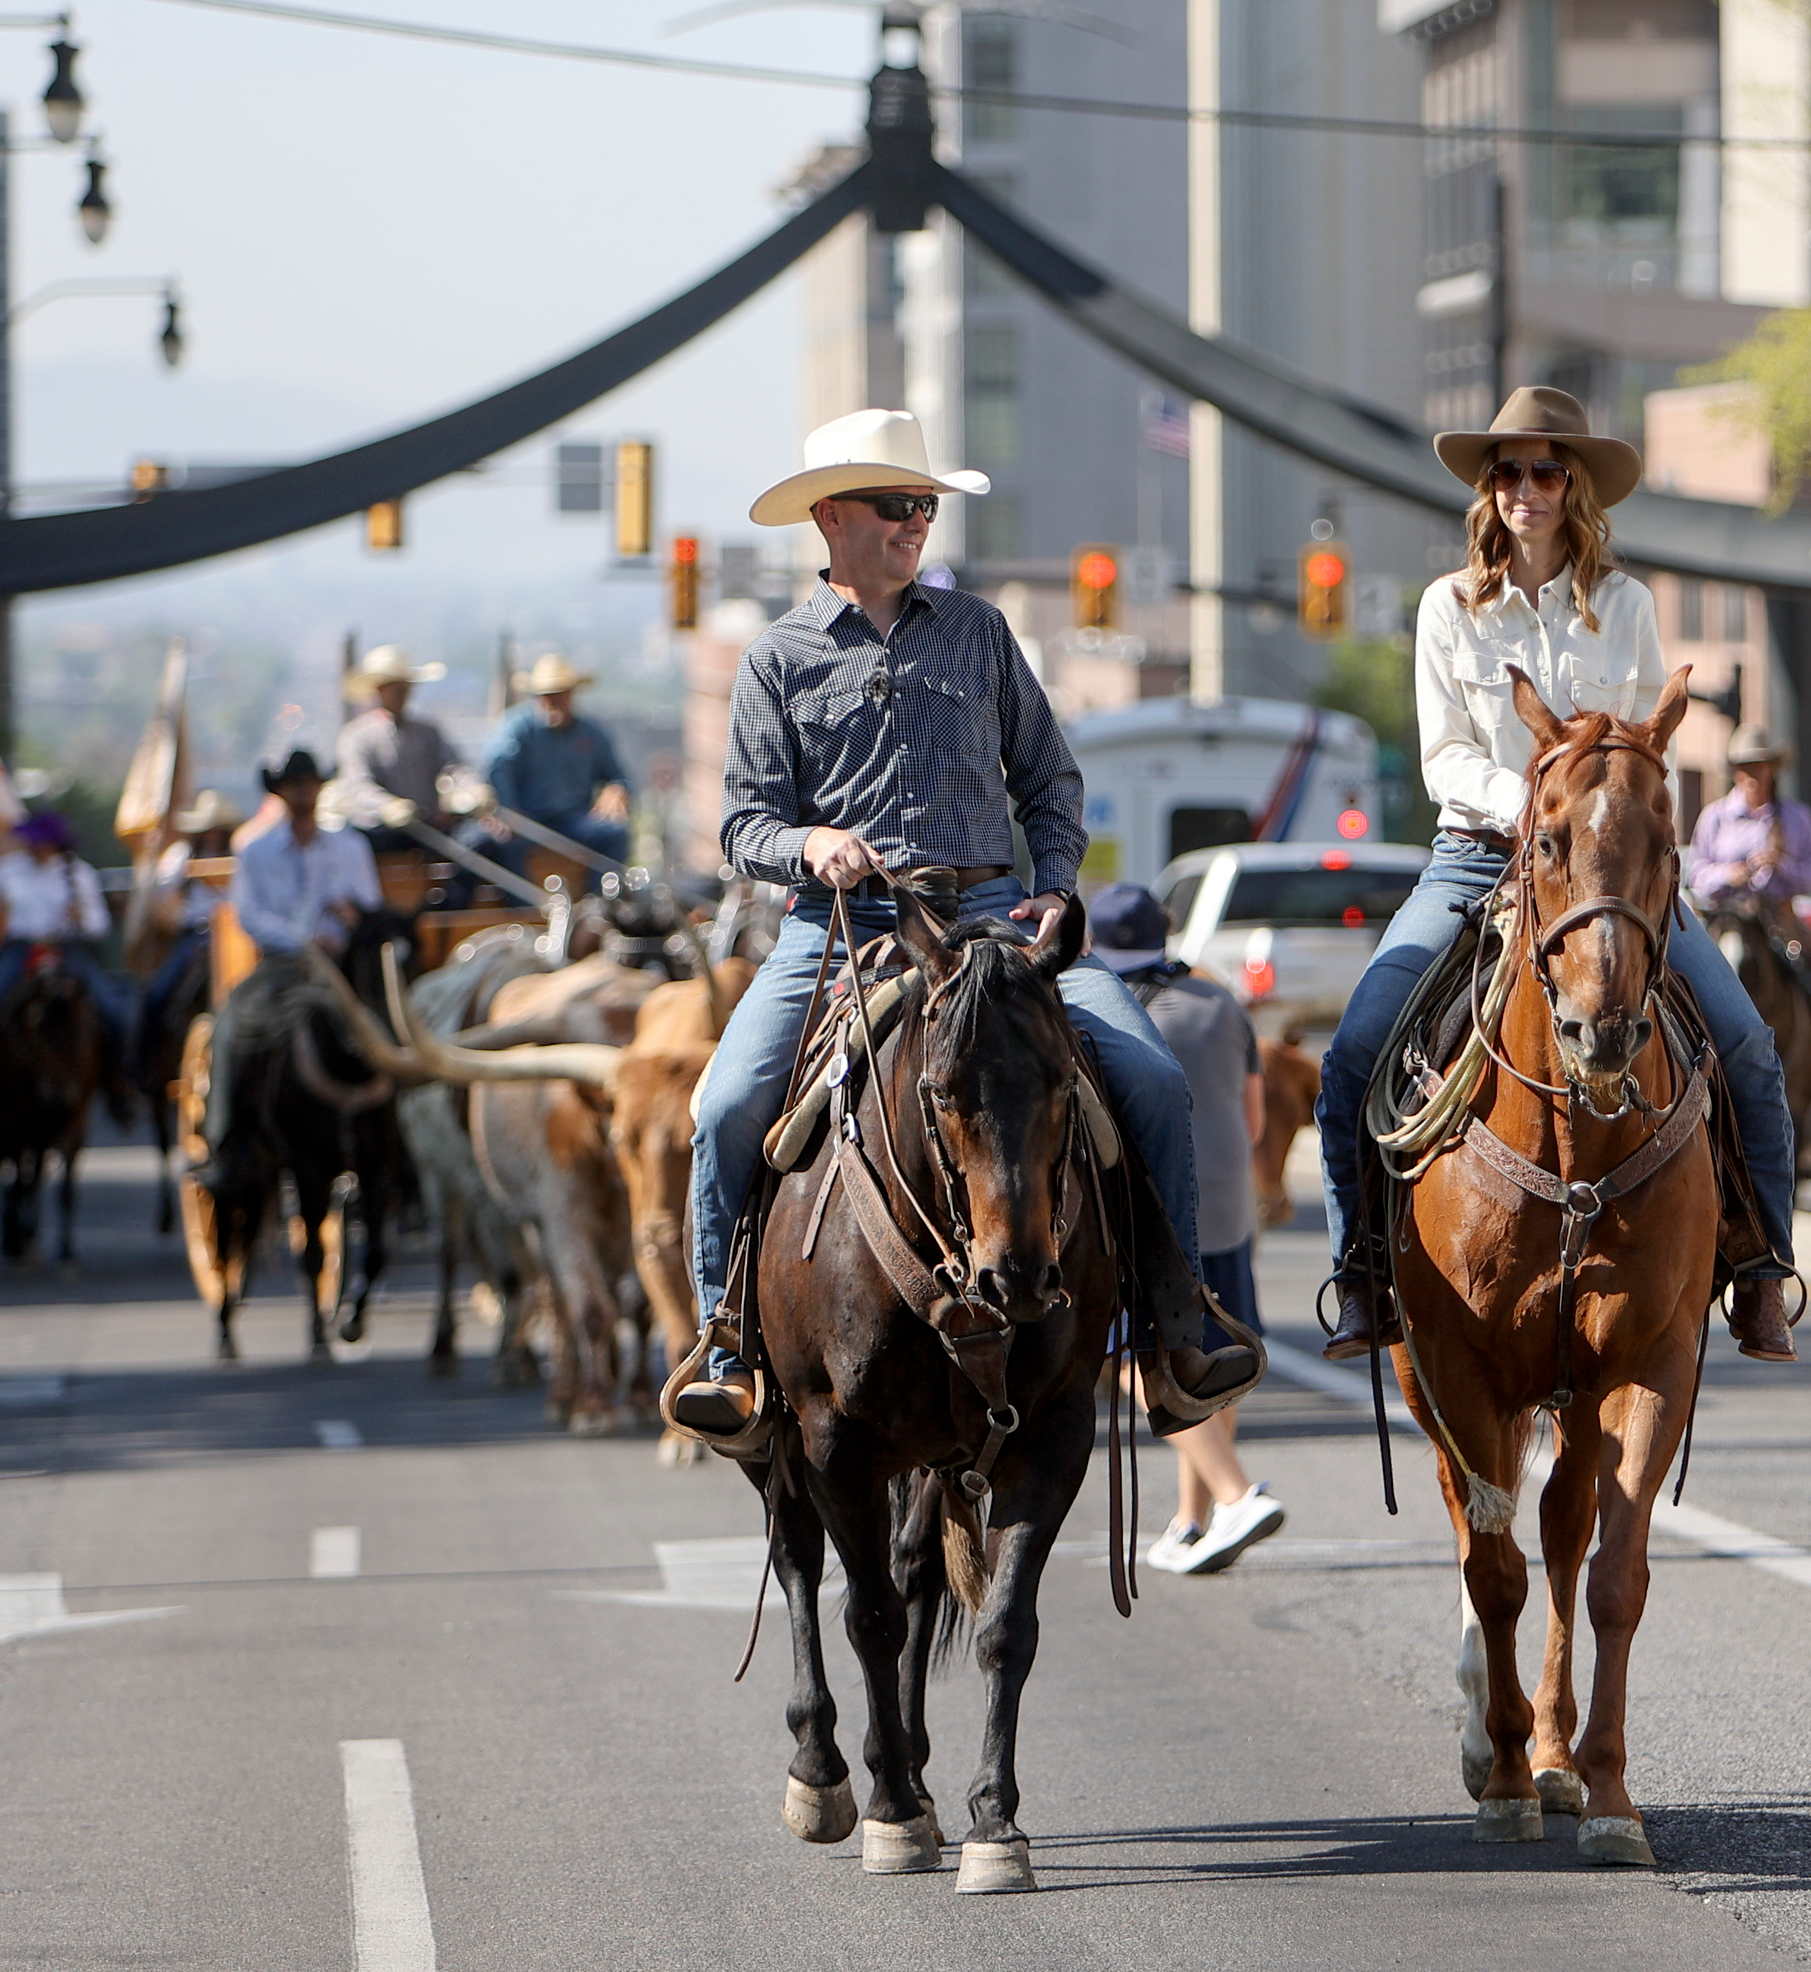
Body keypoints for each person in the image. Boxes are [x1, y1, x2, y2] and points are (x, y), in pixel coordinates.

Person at [672, 407, 1260, 1439]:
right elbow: (743, 824)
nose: (916, 524)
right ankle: (729, 1346)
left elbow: (1048, 779)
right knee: (725, 1108)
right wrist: (812, 845)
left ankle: (1179, 1326)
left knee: (1154, 1079)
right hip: (839, 926)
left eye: (925, 506)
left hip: (993, 915)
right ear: (831, 516)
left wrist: (1057, 882)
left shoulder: (981, 633)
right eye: (898, 505)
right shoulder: (777, 659)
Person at [1314, 386, 1803, 1365]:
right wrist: (1535, 804)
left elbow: (1638, 750)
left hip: (1608, 872)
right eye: (1508, 472)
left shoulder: (1625, 606)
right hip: (1476, 856)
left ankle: (1759, 1270)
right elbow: (1443, 757)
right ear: (1489, 491)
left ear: (1573, 485)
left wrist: (1592, 823)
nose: (1525, 489)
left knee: (1746, 1042)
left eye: (1545, 470)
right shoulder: (1448, 608)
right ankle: (1364, 1268)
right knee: (1356, 1052)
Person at [1090, 883, 1289, 1574]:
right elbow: (1256, 1123)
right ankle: (1191, 1522)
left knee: (1123, 1359)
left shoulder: (1098, 1013)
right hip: (1229, 1210)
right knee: (1215, 1359)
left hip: (1144, 1218)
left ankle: (1234, 1495)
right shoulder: (1222, 1001)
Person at [0, 808, 118, 1078]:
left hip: (66, 948)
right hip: (20, 949)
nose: (34, 847)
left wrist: (82, 918)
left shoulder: (78, 874)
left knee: (111, 1009)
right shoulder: (11, 868)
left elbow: (100, 925)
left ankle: (119, 1083)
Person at [129, 789, 240, 1085]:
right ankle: (143, 1067)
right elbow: (165, 906)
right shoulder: (180, 857)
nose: (213, 833)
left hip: (236, 935)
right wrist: (187, 916)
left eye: (218, 827)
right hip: (194, 936)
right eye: (208, 827)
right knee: (157, 993)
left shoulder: (240, 852)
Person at [483, 654, 631, 869]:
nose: (553, 702)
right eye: (547, 695)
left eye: (560, 694)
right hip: (529, 820)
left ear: (572, 694)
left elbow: (618, 775)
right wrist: (510, 808)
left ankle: (598, 898)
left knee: (614, 835)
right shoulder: (518, 729)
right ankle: (527, 902)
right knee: (501, 842)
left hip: (575, 819)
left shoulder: (591, 733)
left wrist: (616, 789)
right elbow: (499, 768)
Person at [231, 750, 382, 961]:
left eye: (310, 782)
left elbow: (371, 907)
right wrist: (302, 941)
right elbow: (248, 915)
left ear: (320, 787)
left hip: (346, 960)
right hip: (281, 960)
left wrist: (351, 916)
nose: (304, 788)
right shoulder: (256, 852)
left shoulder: (351, 847)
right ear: (280, 790)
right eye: (295, 783)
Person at [328, 646, 461, 848]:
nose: (403, 695)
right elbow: (358, 785)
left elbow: (454, 766)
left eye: (406, 688)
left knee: (479, 840)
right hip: (381, 831)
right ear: (380, 690)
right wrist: (387, 806)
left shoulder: (427, 731)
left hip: (428, 826)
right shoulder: (357, 736)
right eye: (397, 689)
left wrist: (475, 789)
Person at [1690, 726, 1811, 910]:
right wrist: (1728, 874)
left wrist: (1782, 866)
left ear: (1772, 769)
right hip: (1726, 916)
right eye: (1745, 767)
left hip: (1782, 918)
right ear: (1736, 772)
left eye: (1758, 766)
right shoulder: (1715, 816)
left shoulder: (1798, 816)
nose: (1752, 774)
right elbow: (1695, 874)